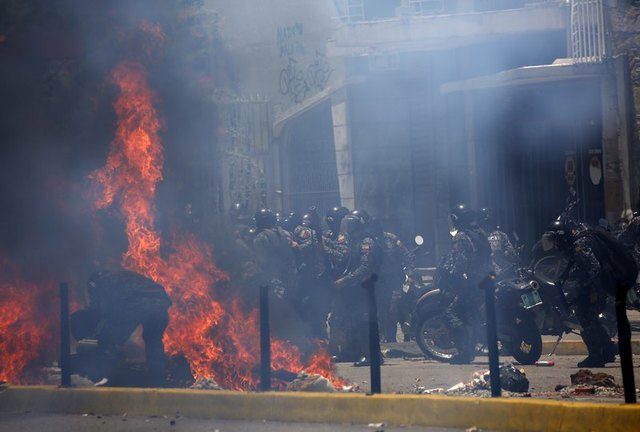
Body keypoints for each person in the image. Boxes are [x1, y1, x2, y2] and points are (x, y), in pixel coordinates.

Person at [542, 220, 635, 367]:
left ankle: (597, 354)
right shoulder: (576, 242)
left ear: (561, 237)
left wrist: (589, 289)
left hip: (598, 286)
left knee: (584, 316)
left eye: (555, 241)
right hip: (598, 285)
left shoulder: (579, 245)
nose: (556, 245)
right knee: (588, 316)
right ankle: (608, 349)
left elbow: (594, 268)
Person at [70, 270, 172, 385]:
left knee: (108, 340)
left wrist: (102, 335)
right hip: (161, 301)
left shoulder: (97, 283)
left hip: (136, 302)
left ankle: (103, 376)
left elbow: (103, 309)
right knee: (153, 342)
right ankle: (157, 378)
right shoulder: (119, 276)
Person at [437, 204, 492, 364]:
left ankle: (464, 351)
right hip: (485, 280)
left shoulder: (461, 236)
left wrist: (452, 276)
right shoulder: (479, 233)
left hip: (472, 283)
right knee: (470, 313)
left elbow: (461, 261)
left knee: (451, 312)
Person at [330, 210, 383, 366]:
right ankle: (351, 352)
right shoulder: (354, 240)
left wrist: (346, 280)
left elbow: (365, 267)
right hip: (354, 289)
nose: (347, 226)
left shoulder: (366, 242)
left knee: (364, 322)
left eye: (351, 223)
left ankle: (373, 356)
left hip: (365, 289)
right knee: (350, 321)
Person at [252, 208, 302, 341]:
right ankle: (295, 341)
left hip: (274, 280)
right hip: (292, 278)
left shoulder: (260, 237)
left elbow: (262, 262)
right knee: (291, 309)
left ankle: (280, 343)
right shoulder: (287, 233)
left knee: (275, 313)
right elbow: (297, 252)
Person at [370, 219, 415, 342]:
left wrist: (410, 275)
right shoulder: (368, 240)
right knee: (379, 313)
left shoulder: (392, 239)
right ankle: (383, 341)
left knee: (393, 310)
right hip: (377, 283)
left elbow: (408, 257)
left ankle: (392, 342)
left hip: (394, 281)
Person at [479, 207, 519, 277]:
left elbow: (498, 253)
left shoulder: (492, 236)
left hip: (497, 271)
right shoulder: (501, 234)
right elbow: (511, 253)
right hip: (506, 269)